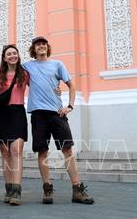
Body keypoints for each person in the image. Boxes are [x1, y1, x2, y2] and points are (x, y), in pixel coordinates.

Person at [23, 36, 94, 205]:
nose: (41, 46)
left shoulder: (57, 65)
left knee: (67, 150)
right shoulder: (27, 66)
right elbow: (7, 69)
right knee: (42, 152)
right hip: (38, 115)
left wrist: (69, 106)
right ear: (34, 49)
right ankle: (47, 189)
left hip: (57, 114)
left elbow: (71, 85)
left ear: (47, 47)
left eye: (43, 44)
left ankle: (77, 190)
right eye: (38, 45)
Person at [0, 44, 30, 206]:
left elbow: (39, 87)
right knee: (5, 151)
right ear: (4, 57)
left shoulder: (25, 74)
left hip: (17, 113)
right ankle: (8, 188)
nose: (12, 56)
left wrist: (56, 90)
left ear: (18, 55)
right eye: (9, 54)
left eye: (14, 53)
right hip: (1, 114)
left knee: (16, 150)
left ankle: (17, 189)